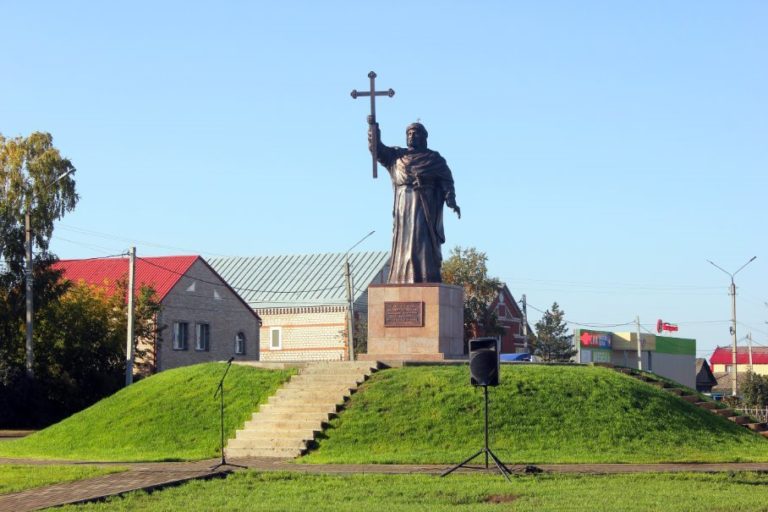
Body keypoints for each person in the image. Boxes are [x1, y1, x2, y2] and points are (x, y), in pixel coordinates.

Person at [369, 121, 461, 283]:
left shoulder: (434, 159)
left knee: (422, 240)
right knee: (403, 245)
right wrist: (373, 129)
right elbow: (377, 150)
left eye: (415, 133)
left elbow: (446, 181)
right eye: (409, 134)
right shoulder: (397, 156)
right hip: (403, 206)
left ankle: (426, 276)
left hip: (425, 206)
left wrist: (450, 200)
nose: (411, 136)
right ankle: (401, 277)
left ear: (424, 138)